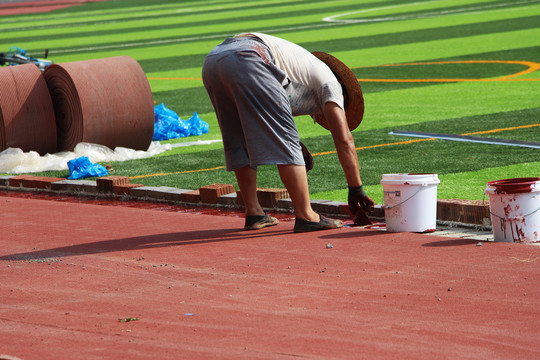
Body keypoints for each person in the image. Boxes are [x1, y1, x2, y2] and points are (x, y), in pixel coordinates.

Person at [202, 32, 374, 233]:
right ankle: (306, 215)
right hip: (249, 56)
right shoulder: (332, 84)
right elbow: (344, 140)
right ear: (343, 93)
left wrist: (296, 142)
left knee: (238, 137)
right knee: (288, 144)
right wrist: (356, 189)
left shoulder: (303, 72)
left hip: (214, 60)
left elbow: (273, 115)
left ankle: (254, 213)